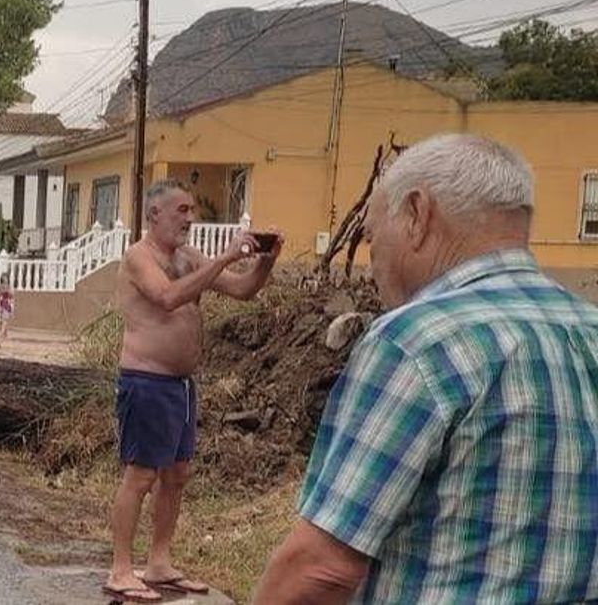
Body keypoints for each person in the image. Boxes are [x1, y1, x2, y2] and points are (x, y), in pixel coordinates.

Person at [256, 134, 598, 604]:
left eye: (374, 236)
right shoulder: (588, 329)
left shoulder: (417, 342)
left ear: (416, 214)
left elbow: (321, 570)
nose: (373, 263)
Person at [104, 179, 279, 602]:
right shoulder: (138, 257)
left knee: (177, 474)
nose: (190, 218)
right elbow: (166, 298)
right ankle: (121, 569)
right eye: (181, 210)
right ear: (154, 215)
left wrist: (266, 261)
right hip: (146, 381)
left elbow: (242, 290)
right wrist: (225, 256)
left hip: (180, 386)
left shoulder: (188, 257)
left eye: (191, 210)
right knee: (140, 475)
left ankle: (159, 562)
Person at [0, 274, 15, 344]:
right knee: (1, 320)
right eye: (3, 278)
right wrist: (0, 292)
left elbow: (12, 295)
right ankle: (5, 333)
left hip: (7, 303)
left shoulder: (10, 286)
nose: (5, 279)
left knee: (5, 319)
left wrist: (8, 292)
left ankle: (2, 333)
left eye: (6, 278)